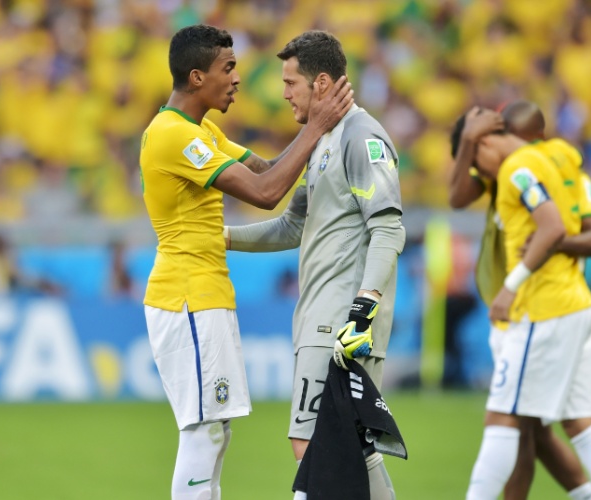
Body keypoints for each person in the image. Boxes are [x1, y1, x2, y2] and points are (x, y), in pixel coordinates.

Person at [139, 24, 353, 500]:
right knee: (204, 431)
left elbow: (266, 167)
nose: (237, 79)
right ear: (197, 77)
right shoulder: (173, 135)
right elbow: (265, 192)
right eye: (228, 68)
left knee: (217, 432)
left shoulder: (201, 130)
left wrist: (326, 152)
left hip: (204, 292)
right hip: (186, 296)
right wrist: (316, 126)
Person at [224, 31, 404, 500]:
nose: (283, 93)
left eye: (291, 83)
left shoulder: (362, 137)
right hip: (322, 316)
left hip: (342, 322)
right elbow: (291, 227)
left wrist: (363, 309)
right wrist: (221, 238)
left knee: (312, 445)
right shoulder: (323, 141)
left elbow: (388, 228)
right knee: (351, 448)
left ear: (321, 83)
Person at [451, 109, 591, 500]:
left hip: (540, 309)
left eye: (477, 153)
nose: (482, 171)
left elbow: (555, 228)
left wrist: (512, 285)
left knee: (504, 418)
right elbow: (459, 196)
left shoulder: (519, 168)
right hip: (576, 302)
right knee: (579, 424)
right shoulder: (563, 162)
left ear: (491, 140)